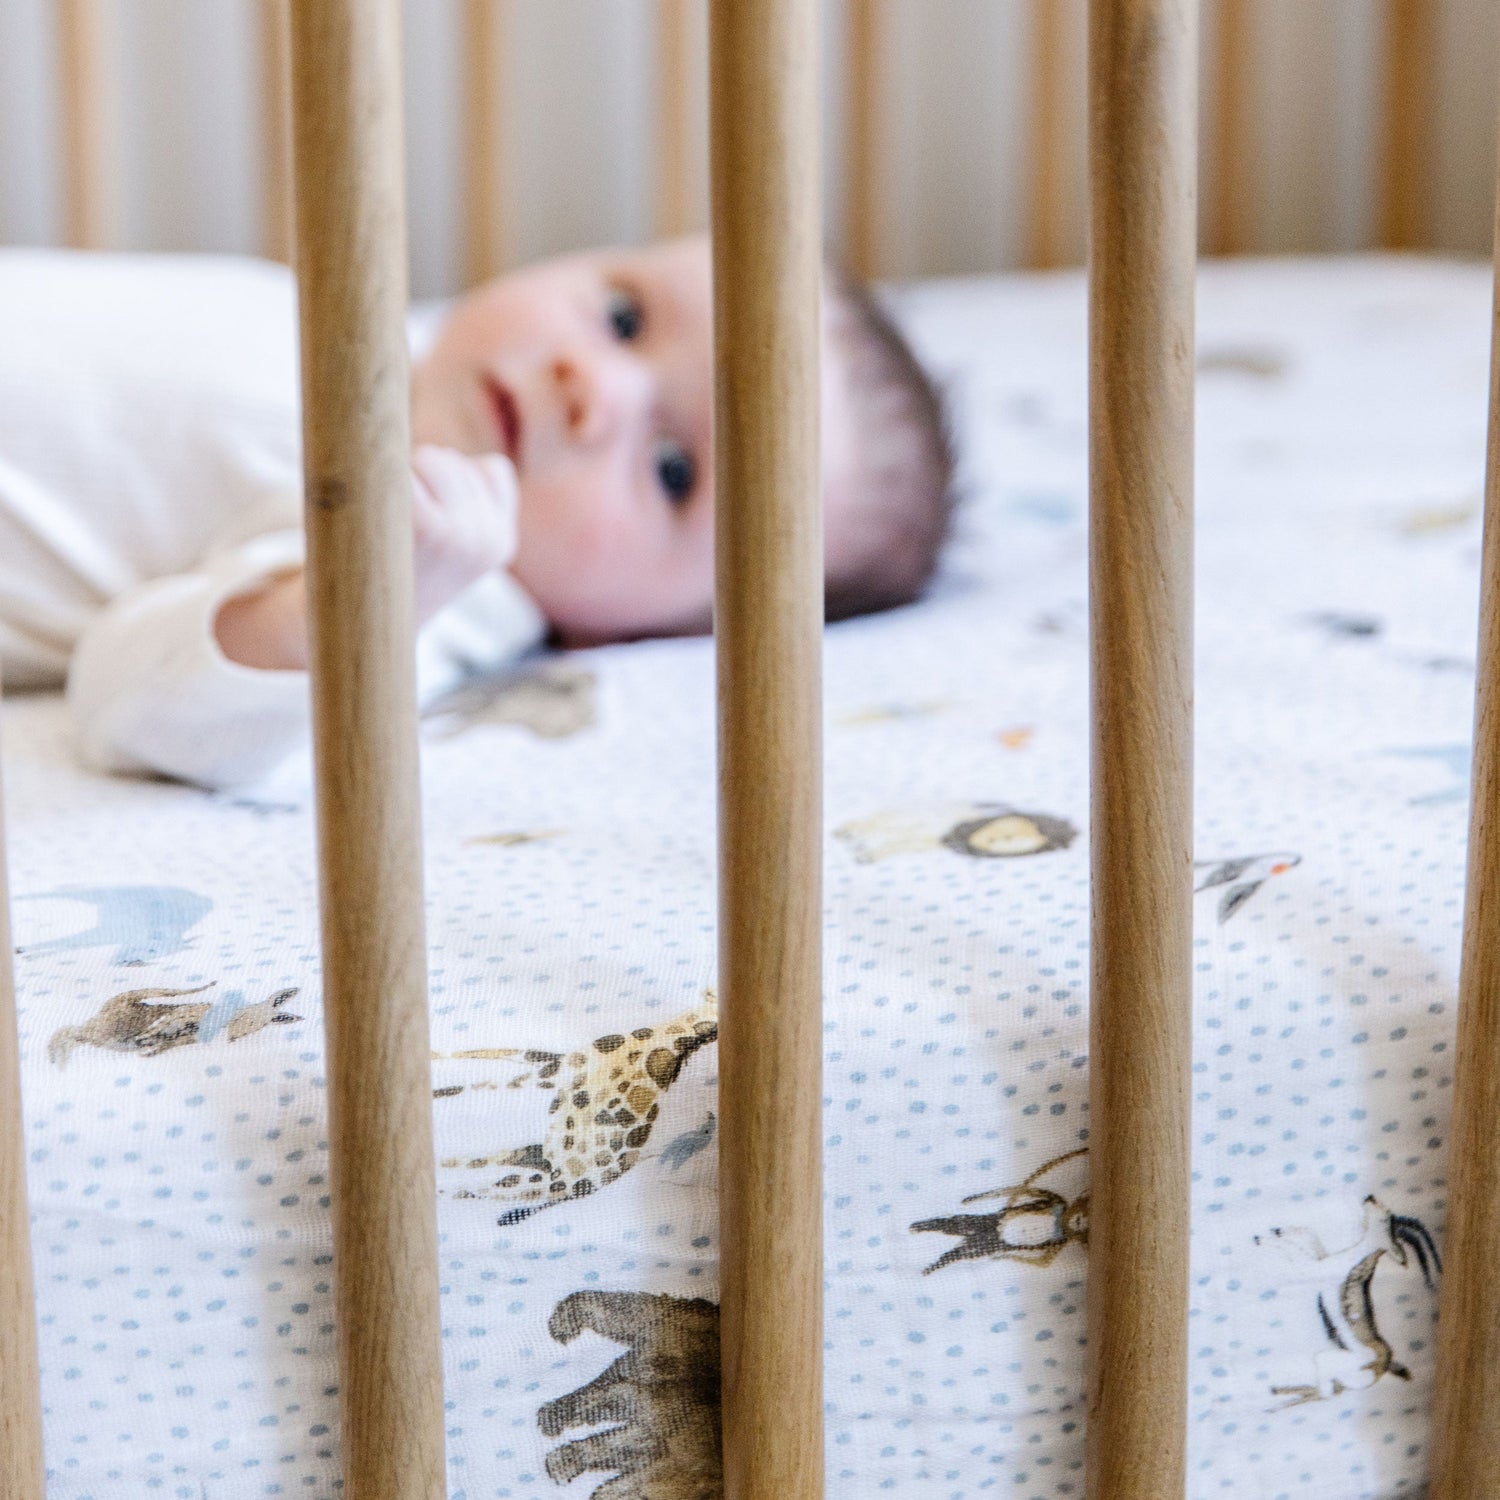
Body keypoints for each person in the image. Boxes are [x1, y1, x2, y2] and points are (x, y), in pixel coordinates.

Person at [0, 235, 953, 789]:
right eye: (624, 318)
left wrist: (343, 605)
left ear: (639, 631)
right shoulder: (389, 327)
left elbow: (137, 706)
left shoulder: (442, 571)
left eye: (673, 470)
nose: (592, 385)